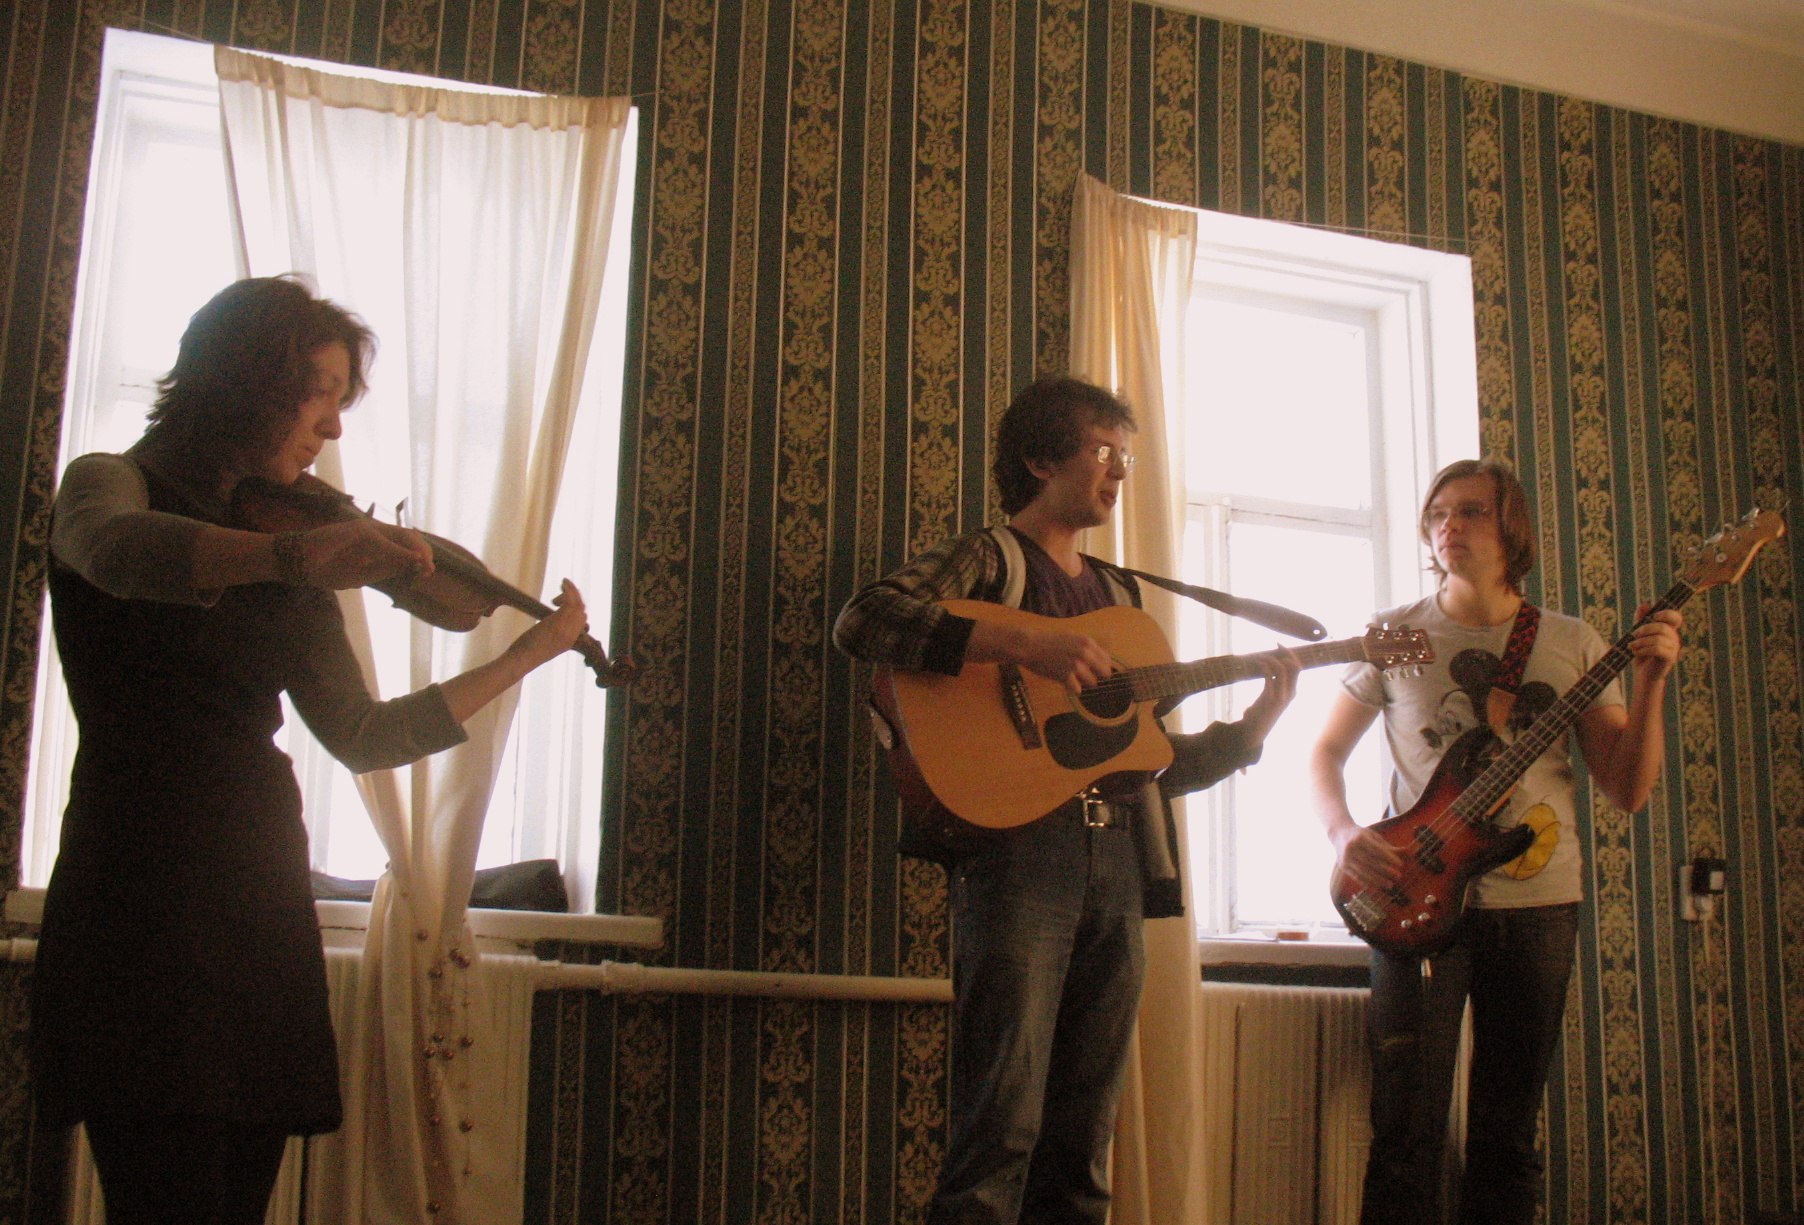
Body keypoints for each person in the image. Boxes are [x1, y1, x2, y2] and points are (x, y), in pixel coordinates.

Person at [29, 275, 589, 1225]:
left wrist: (526, 655)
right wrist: (297, 558)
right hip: (139, 882)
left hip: (256, 885)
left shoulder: (290, 525)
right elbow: (116, 550)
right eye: (318, 394)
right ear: (245, 381)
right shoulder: (109, 481)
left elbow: (363, 734)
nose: (331, 428)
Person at [833, 376, 1299, 1225]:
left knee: (1085, 1133)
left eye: (1127, 457)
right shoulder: (993, 559)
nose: (1119, 470)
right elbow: (865, 620)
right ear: (1041, 459)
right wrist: (1024, 640)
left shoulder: (1122, 597)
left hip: (1119, 860)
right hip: (1019, 859)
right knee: (1000, 1124)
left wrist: (1252, 728)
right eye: (1102, 450)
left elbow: (1144, 762)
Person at [1309, 458, 1683, 1225]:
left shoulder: (1571, 641)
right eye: (1438, 512)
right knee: (1404, 1131)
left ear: (1511, 527)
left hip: (1539, 907)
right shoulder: (1397, 635)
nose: (1449, 524)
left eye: (1471, 510)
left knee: (1507, 1137)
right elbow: (1324, 752)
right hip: (1414, 896)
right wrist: (1343, 832)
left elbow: (1627, 787)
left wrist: (1651, 680)